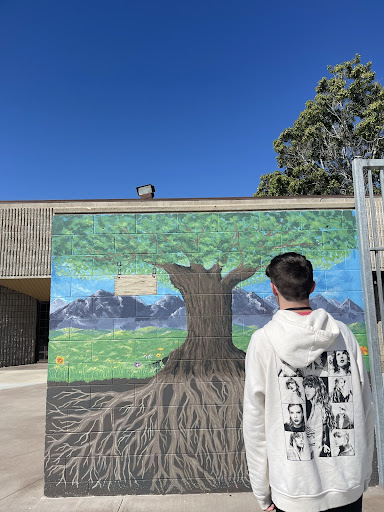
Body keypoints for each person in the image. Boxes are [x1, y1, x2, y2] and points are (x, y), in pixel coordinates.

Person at [243, 252, 374, 512]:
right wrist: (363, 475)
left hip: (294, 492)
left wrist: (262, 492)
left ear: (273, 289)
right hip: (347, 486)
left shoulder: (262, 342)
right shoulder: (343, 335)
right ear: (312, 287)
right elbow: (365, 410)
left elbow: (255, 424)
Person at [303, 375, 335, 457]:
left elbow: (318, 439)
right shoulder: (315, 407)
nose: (306, 390)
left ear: (317, 388)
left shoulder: (318, 408)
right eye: (305, 387)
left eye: (310, 387)